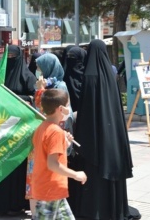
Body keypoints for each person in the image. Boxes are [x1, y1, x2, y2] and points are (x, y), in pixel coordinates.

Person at [70, 39, 137, 220]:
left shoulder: (89, 76)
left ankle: (94, 210)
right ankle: (113, 208)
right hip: (112, 136)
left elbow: (86, 111)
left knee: (94, 172)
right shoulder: (110, 74)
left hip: (94, 136)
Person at [26, 52, 75, 216]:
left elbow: (49, 112)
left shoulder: (59, 87)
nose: (37, 71)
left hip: (52, 137)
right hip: (42, 135)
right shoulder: (45, 84)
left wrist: (40, 91)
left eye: (40, 67)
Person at [0, 45, 36, 215]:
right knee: (2, 163)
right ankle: (0, 203)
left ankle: (17, 204)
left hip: (20, 129)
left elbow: (34, 97)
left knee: (17, 165)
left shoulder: (27, 76)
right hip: (1, 127)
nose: (10, 59)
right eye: (7, 56)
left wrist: (15, 98)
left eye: (13, 56)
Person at [31, 89, 87, 220]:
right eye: (67, 105)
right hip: (50, 190)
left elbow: (45, 153)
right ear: (61, 108)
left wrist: (65, 143)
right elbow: (52, 164)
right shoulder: (55, 131)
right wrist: (75, 174)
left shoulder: (42, 127)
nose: (69, 109)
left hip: (51, 189)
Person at [63, 46, 86, 112]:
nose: (72, 61)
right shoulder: (64, 78)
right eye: (69, 58)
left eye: (75, 58)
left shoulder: (89, 76)